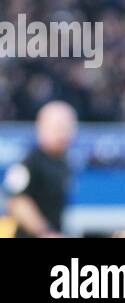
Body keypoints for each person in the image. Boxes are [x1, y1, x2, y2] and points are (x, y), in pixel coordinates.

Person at [3, 100, 77, 238]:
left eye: (68, 128)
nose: (64, 134)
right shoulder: (29, 162)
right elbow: (17, 201)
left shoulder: (63, 162)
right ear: (41, 127)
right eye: (58, 128)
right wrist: (45, 232)